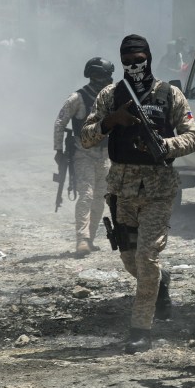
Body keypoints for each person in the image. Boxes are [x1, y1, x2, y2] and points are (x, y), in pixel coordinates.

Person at [81, 34, 195, 353]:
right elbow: (86, 137)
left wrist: (166, 145)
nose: (134, 64)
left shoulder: (169, 94)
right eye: (128, 60)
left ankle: (140, 330)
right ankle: (160, 283)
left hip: (159, 189)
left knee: (146, 259)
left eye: (139, 58)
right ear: (121, 61)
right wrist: (111, 122)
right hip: (121, 190)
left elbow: (193, 137)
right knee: (130, 261)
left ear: (148, 57)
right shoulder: (110, 95)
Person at [54, 57, 115, 257]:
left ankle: (90, 238)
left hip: (105, 155)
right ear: (95, 76)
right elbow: (60, 123)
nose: (108, 80)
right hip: (83, 153)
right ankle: (82, 239)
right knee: (86, 195)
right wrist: (58, 150)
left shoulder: (111, 97)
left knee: (100, 197)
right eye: (104, 76)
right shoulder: (77, 98)